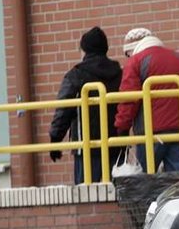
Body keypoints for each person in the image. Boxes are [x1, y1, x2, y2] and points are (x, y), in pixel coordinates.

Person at [114, 27, 179, 172]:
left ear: (132, 49)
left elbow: (129, 99)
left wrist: (122, 128)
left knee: (146, 181)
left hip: (150, 133)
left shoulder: (136, 61)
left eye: (127, 54)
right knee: (177, 181)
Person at [49, 26, 123, 184]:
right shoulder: (119, 73)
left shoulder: (76, 75)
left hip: (86, 147)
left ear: (85, 50)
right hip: (115, 144)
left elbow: (63, 109)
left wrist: (55, 140)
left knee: (87, 193)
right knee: (117, 191)